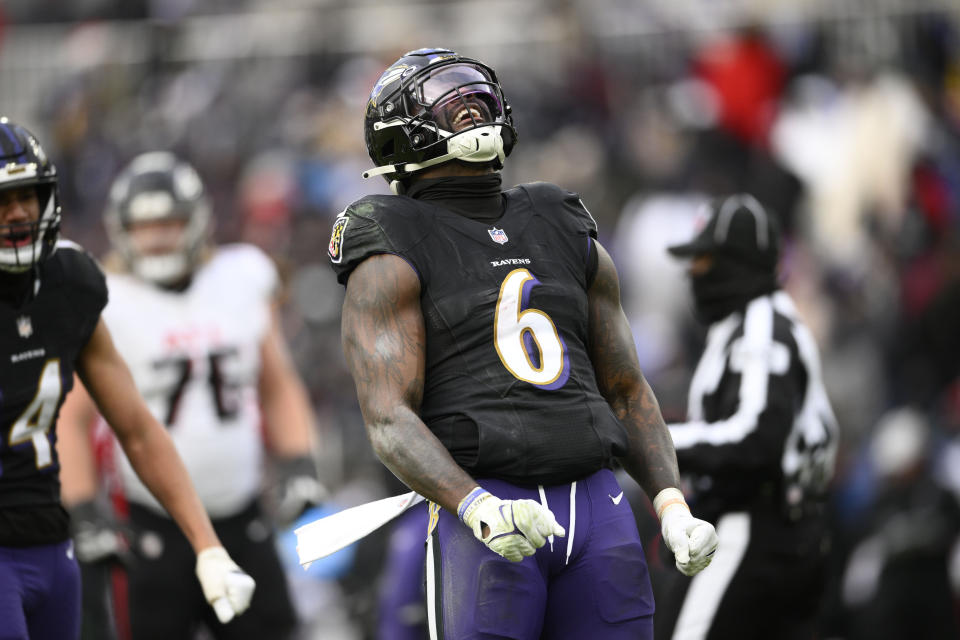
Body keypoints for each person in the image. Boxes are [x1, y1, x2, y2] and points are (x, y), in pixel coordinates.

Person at [327, 47, 718, 639]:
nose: (469, 106)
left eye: (475, 93)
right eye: (447, 98)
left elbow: (625, 386)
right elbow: (387, 418)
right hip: (486, 507)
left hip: (598, 505)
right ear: (399, 133)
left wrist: (671, 502)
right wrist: (478, 507)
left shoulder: (558, 218)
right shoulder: (389, 238)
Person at [0, 119, 255, 640]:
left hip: (52, 543)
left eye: (28, 195)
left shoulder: (69, 282)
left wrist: (206, 545)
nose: (20, 212)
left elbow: (136, 427)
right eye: (3, 200)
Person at [56, 151, 323, 640]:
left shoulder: (242, 275)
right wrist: (83, 508)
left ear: (198, 220)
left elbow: (277, 383)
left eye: (170, 222)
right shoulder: (105, 297)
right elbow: (72, 418)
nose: (157, 237)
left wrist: (298, 462)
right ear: (120, 229)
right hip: (148, 525)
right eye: (144, 226)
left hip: (242, 514)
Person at [657, 193, 839, 639]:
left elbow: (756, 438)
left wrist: (654, 441)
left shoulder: (762, 327)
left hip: (755, 527)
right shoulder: (748, 323)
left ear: (734, 263)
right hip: (787, 529)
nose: (692, 274)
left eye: (703, 262)